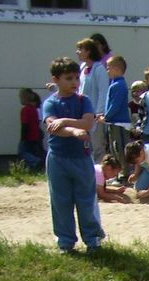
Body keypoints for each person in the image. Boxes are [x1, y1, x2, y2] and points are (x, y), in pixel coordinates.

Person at [42, 56, 102, 253]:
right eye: (69, 78)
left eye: (77, 78)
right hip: (58, 159)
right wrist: (73, 131)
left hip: (82, 158)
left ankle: (92, 239)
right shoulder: (50, 103)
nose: (74, 83)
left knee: (85, 200)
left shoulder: (84, 101)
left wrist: (66, 120)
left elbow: (88, 123)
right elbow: (53, 127)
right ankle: (66, 241)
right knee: (61, 201)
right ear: (56, 79)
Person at [76, 38, 108, 160]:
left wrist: (99, 112)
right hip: (82, 115)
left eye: (80, 49)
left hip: (95, 116)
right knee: (84, 146)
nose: (77, 52)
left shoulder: (99, 69)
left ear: (89, 51)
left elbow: (103, 92)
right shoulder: (82, 68)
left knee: (97, 146)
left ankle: (100, 176)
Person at [102, 55, 132, 174]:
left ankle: (123, 173)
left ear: (117, 69)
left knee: (118, 148)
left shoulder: (119, 85)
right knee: (115, 148)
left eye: (108, 67)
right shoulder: (115, 84)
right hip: (114, 121)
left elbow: (115, 105)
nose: (107, 70)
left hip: (119, 123)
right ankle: (119, 173)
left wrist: (106, 116)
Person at [17, 88, 44, 171]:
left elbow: (25, 124)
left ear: (25, 98)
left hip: (28, 136)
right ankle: (37, 164)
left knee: (22, 152)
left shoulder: (25, 110)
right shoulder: (34, 109)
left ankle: (36, 162)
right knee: (35, 151)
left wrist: (22, 138)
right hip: (35, 134)